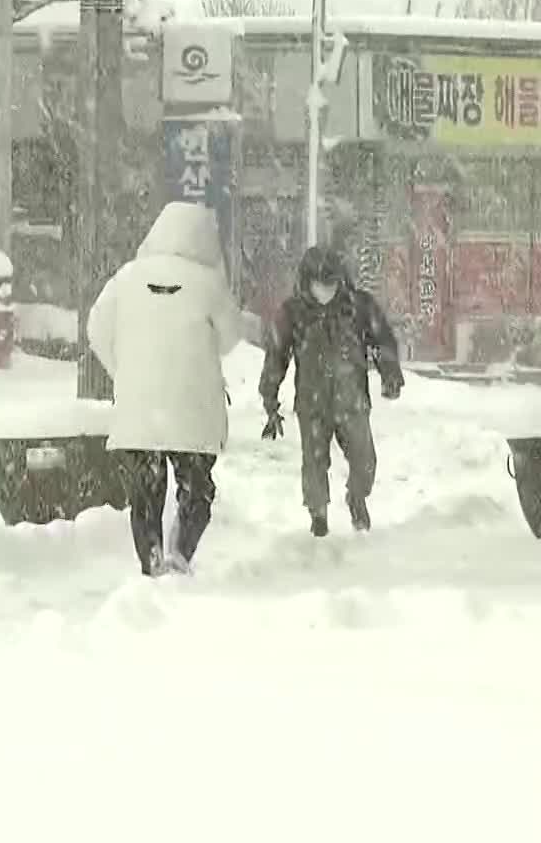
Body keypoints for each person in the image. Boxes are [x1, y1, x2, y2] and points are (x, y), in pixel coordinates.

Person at [85, 202, 243, 577]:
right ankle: (180, 550)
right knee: (196, 488)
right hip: (192, 407)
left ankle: (150, 556)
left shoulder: (125, 278)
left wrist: (124, 370)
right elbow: (231, 338)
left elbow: (97, 329)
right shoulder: (209, 284)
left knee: (145, 490)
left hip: (139, 410)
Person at [258, 246, 404, 537]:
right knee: (314, 464)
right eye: (319, 283)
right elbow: (277, 355)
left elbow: (382, 339)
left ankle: (357, 497)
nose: (326, 290)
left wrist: (391, 374)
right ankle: (318, 515)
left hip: (352, 400)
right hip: (312, 403)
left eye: (331, 283)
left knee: (365, 461)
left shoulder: (359, 307)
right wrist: (270, 397)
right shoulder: (293, 313)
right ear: (306, 282)